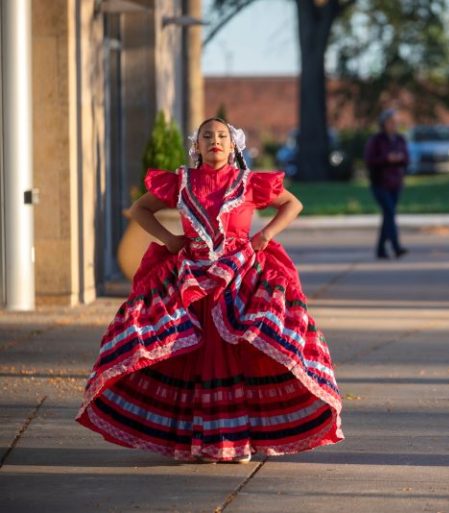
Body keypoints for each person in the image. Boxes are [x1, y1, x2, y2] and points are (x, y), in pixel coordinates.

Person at [76, 117, 344, 462]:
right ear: (197, 146)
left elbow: (292, 204)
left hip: (240, 276)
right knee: (192, 355)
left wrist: (265, 235)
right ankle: (199, 440)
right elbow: (141, 209)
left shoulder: (248, 183)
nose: (215, 141)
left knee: (239, 353)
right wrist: (170, 239)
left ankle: (236, 442)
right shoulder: (181, 182)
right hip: (192, 277)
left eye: (222, 136)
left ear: (234, 146)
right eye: (207, 136)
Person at [365, 108, 409, 259]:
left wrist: (398, 158)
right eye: (390, 122)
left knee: (388, 216)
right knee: (390, 212)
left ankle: (380, 250)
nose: (393, 125)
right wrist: (386, 159)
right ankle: (396, 247)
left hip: (395, 183)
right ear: (383, 123)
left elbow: (406, 159)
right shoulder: (376, 140)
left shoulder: (400, 139)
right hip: (380, 183)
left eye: (395, 122)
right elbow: (369, 160)